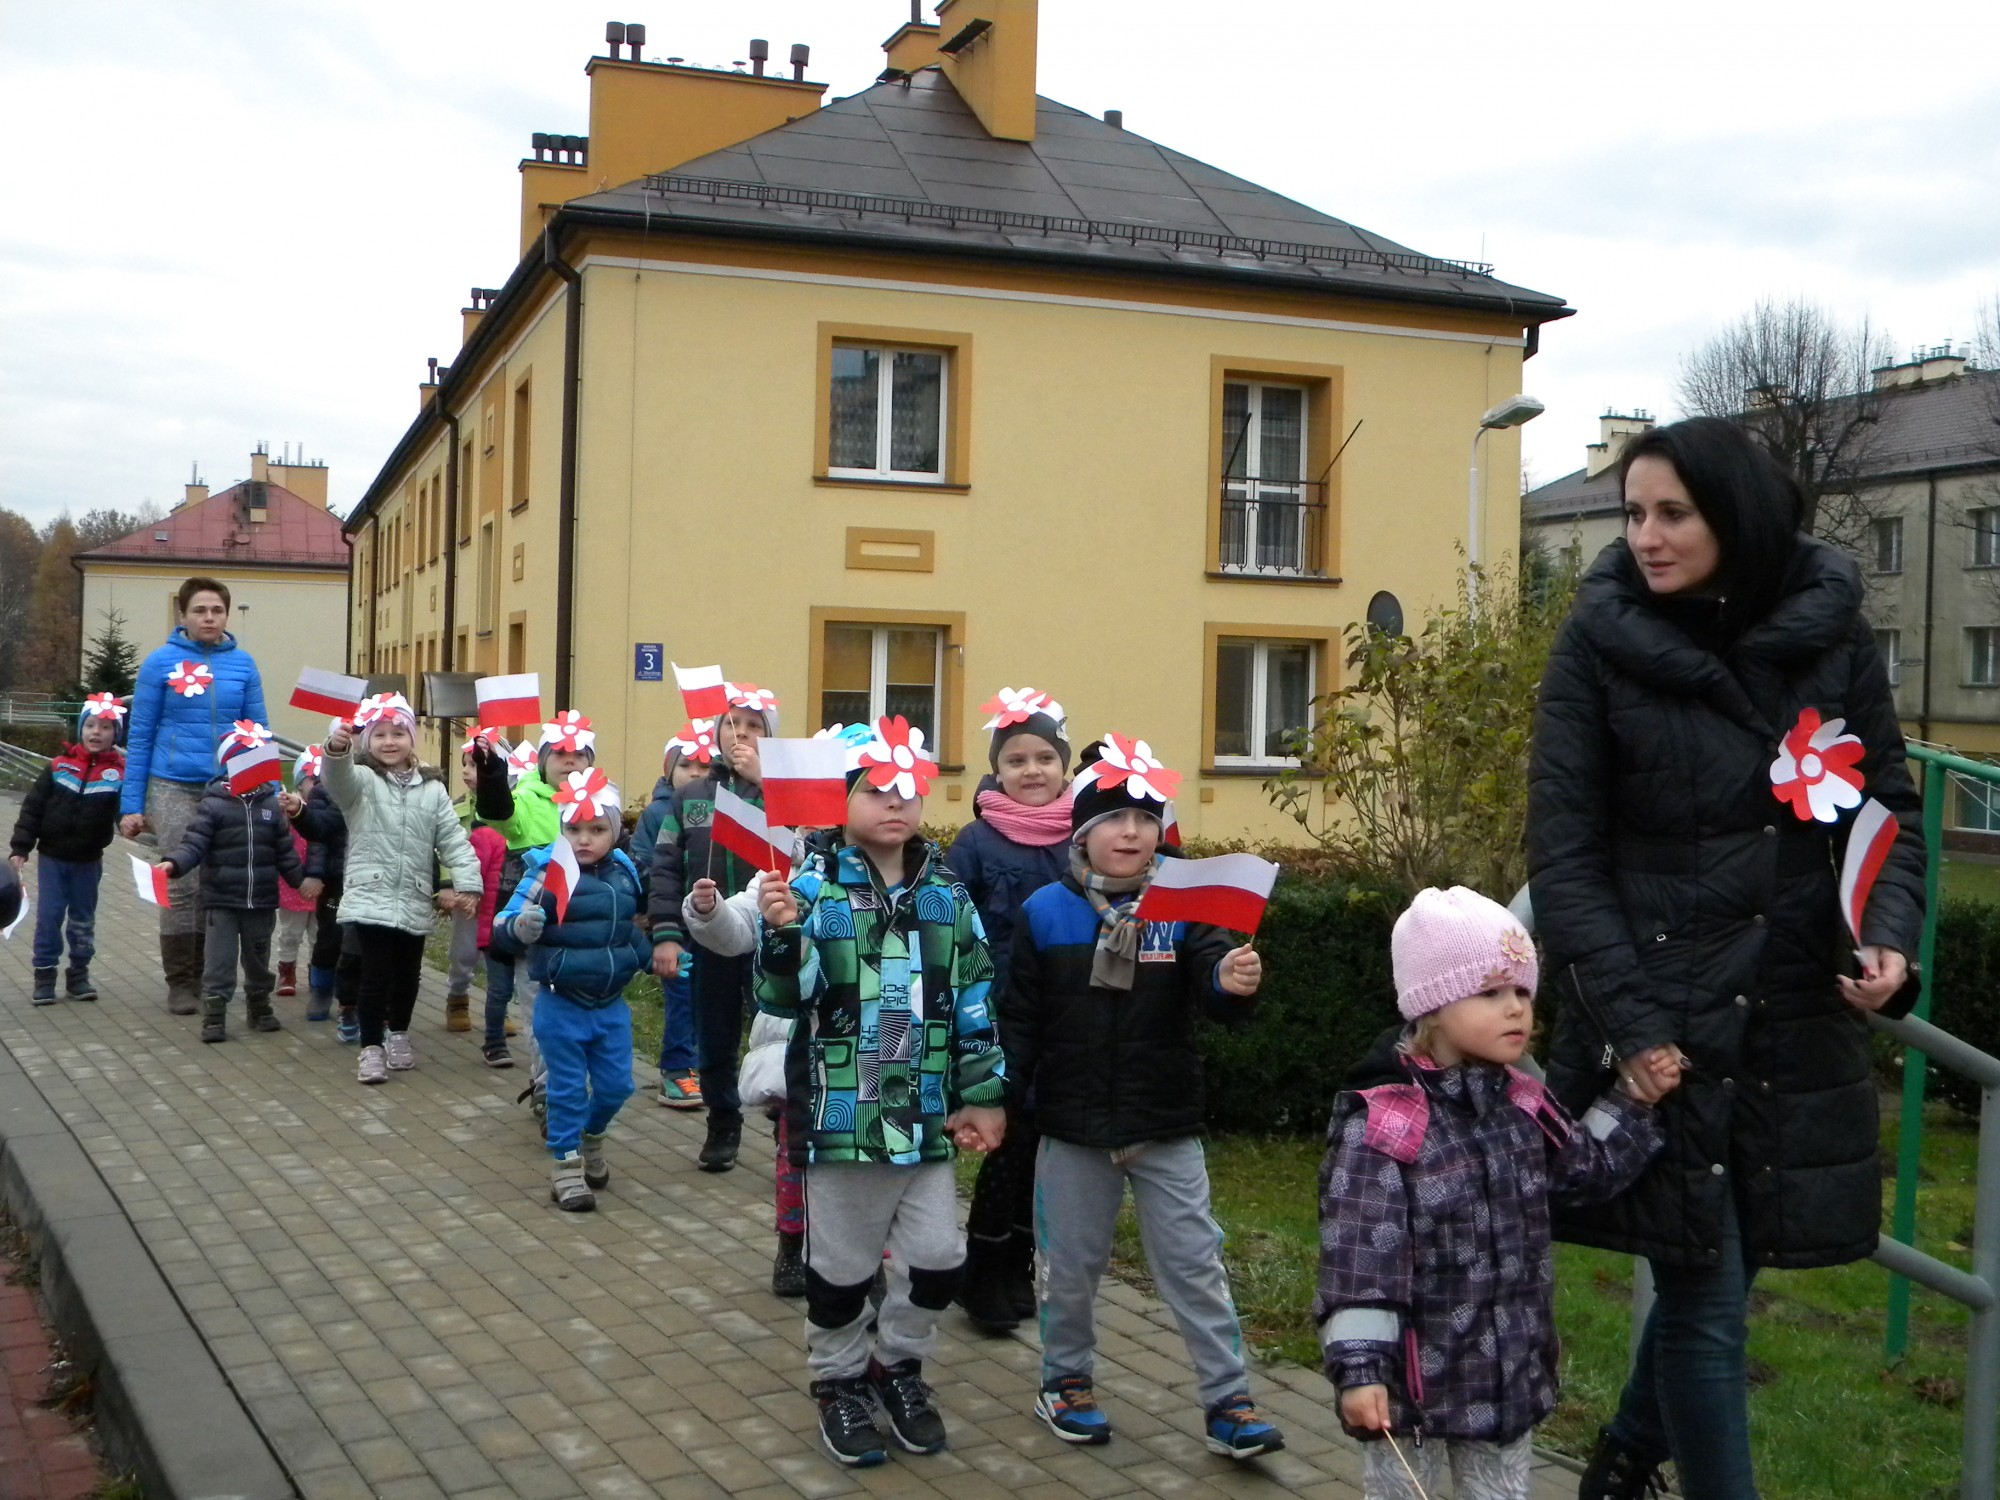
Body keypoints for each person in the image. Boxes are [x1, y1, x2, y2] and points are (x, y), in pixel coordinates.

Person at [1527, 417, 1925, 1500]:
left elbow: (1884, 804)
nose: (1644, 537)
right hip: (1665, 1017)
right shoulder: (1597, 641)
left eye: (1672, 513)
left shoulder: (1827, 634)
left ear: (1733, 517)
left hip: (1790, 1010)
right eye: (1632, 514)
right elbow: (1562, 859)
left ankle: (1618, 1457)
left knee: (1722, 1275)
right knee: (1703, 1301)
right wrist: (1631, 1026)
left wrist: (1885, 932)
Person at [1316, 887, 1669, 1500]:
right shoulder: (1388, 1121)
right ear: (1434, 1005)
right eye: (1491, 993)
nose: (1516, 1010)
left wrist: (1633, 1102)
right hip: (1407, 1389)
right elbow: (1359, 1258)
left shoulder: (1524, 1103)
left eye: (1523, 992)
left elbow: (1586, 1170)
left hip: (1504, 1372)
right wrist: (1361, 1370)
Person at [1002, 732, 1282, 1460]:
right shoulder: (1043, 912)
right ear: (1082, 833)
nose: (1131, 833)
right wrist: (998, 1098)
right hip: (1071, 1125)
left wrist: (1229, 981)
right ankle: (1066, 1382)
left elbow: (1213, 974)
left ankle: (1230, 1403)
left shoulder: (1184, 904)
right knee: (1070, 1266)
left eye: (1145, 820)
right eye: (1113, 821)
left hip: (1164, 1121)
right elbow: (1019, 1019)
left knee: (1194, 1262)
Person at [754, 715, 1007, 1468]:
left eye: (907, 789)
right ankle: (836, 1381)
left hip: (923, 1116)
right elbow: (784, 996)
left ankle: (896, 1365)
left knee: (938, 1261)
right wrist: (782, 935)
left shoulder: (948, 897)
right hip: (843, 1115)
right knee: (841, 1270)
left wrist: (984, 1093)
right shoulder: (811, 887)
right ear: (842, 799)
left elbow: (975, 1000)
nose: (894, 804)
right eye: (876, 790)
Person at [948, 687, 1074, 1333]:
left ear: (1065, 766)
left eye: (1044, 757)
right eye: (1017, 759)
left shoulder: (1087, 835)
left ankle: (1020, 1267)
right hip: (997, 1020)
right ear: (997, 771)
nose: (1032, 770)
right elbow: (948, 929)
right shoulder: (976, 841)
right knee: (1009, 1146)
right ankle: (983, 1275)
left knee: (1045, 1154)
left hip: (1068, 1018)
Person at [493, 767, 651, 1210]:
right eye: (574, 828)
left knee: (618, 1086)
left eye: (597, 829)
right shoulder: (545, 870)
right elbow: (503, 924)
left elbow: (625, 931)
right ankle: (565, 1168)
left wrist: (657, 958)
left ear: (614, 832)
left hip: (610, 1006)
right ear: (561, 828)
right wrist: (521, 927)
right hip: (560, 1003)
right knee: (564, 1088)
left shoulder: (624, 873)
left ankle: (592, 1138)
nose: (584, 838)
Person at [119, 576, 268, 1014]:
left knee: (213, 882)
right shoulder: (159, 663)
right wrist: (132, 805)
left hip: (227, 789)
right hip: (172, 785)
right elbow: (141, 736)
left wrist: (272, 791)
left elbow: (257, 733)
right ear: (183, 615)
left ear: (226, 614)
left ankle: (208, 976)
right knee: (180, 879)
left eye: (217, 610)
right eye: (200, 610)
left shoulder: (244, 665)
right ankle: (180, 982)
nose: (209, 618)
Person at [648, 684, 779, 1172]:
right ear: (717, 732)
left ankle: (786, 1124)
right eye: (732, 724)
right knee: (716, 1033)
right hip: (709, 936)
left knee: (776, 1032)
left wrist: (768, 783)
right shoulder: (692, 795)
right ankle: (723, 1120)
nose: (740, 734)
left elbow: (815, 842)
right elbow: (664, 866)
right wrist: (666, 930)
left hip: (774, 934)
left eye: (753, 727)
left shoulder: (785, 790)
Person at [320, 694, 481, 1085]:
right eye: (379, 735)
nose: (389, 742)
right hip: (370, 895)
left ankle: (399, 1035)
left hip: (412, 894)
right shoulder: (362, 781)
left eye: (398, 733)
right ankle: (371, 1047)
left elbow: (453, 839)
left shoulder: (432, 789)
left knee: (408, 974)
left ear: (412, 738)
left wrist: (468, 884)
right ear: (367, 742)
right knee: (375, 973)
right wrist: (337, 749)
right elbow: (336, 780)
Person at [472, 712, 598, 1106]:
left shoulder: (600, 804)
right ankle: (548, 1090)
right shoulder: (526, 799)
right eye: (560, 753)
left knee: (581, 1016)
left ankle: (576, 1084)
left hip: (584, 931)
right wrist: (492, 771)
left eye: (580, 754)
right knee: (541, 1014)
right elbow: (498, 812)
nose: (571, 760)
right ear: (543, 762)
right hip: (536, 930)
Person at [156, 723, 307, 1042]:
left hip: (261, 902)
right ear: (232, 766)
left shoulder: (271, 806)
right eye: (252, 762)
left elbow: (285, 851)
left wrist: (302, 882)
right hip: (222, 902)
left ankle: (259, 1005)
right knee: (219, 963)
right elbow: (193, 843)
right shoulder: (212, 805)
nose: (260, 768)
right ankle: (214, 1014)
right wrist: (175, 862)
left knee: (257, 961)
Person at [10, 694, 127, 1004]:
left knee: (82, 920)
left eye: (105, 727)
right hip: (52, 858)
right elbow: (32, 809)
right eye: (90, 725)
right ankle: (44, 975)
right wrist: (20, 848)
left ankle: (78, 975)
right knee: (48, 916)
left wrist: (133, 823)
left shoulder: (119, 773)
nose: (96, 732)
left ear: (116, 734)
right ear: (81, 729)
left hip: (88, 862)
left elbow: (125, 812)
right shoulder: (59, 767)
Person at [634, 720, 715, 1109]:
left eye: (704, 766)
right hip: (675, 923)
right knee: (681, 998)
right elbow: (649, 863)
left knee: (706, 998)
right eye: (686, 765)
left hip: (712, 921)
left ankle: (699, 1065)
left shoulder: (720, 806)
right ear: (669, 769)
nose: (695, 773)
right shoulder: (658, 813)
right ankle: (676, 1070)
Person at [286, 745, 358, 1031]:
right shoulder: (324, 791)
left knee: (360, 941)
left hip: (367, 875)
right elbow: (318, 837)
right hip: (335, 879)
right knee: (329, 937)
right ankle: (321, 989)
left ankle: (351, 994)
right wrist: (314, 874)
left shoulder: (372, 783)